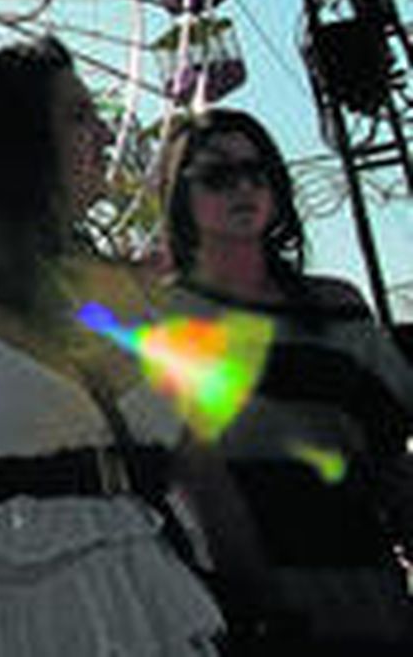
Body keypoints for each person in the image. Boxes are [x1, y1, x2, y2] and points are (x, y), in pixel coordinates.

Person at [0, 37, 226, 657]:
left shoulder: (135, 293)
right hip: (24, 612)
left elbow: (202, 468)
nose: (103, 133)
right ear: (14, 142)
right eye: (77, 117)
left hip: (155, 596)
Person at [160, 107, 413, 654]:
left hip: (359, 577)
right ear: (179, 196)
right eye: (217, 176)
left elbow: (391, 447)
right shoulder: (162, 321)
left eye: (259, 171)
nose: (244, 187)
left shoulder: (337, 308)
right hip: (232, 597)